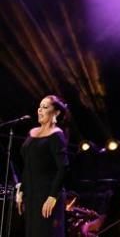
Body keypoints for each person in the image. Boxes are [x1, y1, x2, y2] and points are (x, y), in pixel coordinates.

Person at [16, 95, 69, 237]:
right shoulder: (32, 133)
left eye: (45, 107)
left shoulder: (57, 135)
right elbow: (28, 165)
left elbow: (63, 168)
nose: (40, 110)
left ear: (56, 112)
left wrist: (52, 196)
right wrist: (21, 190)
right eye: (39, 107)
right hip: (31, 195)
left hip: (47, 195)